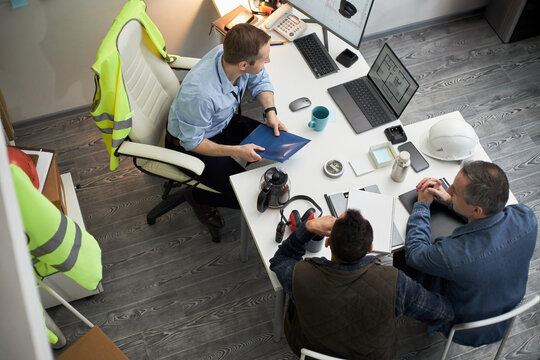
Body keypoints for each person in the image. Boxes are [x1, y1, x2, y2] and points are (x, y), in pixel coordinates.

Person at [269, 209, 454, 359]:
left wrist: (308, 227)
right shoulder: (397, 284)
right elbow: (440, 312)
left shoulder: (301, 275)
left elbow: (280, 260)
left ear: (327, 243)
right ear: (370, 249)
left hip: (310, 352)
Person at [166, 23, 287, 239]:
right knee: (248, 198)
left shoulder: (229, 54)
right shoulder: (200, 95)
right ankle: (198, 197)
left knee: (282, 142)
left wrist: (271, 112)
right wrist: (237, 151)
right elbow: (191, 143)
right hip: (193, 143)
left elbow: (260, 78)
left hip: (222, 122)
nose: (267, 61)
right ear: (243, 64)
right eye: (264, 58)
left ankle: (235, 165)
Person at [404, 160, 537, 347]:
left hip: (465, 326)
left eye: (455, 192)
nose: (448, 191)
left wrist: (422, 205)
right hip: (505, 311)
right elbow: (490, 217)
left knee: (402, 263)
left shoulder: (455, 256)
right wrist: (452, 202)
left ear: (476, 210)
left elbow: (415, 253)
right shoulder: (527, 216)